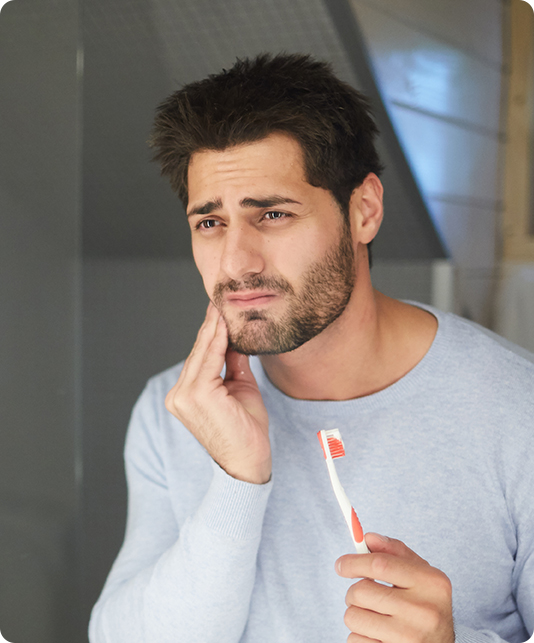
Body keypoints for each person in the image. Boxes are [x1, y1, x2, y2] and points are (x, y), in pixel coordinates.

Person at [89, 53, 534, 643]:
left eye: (272, 214)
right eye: (210, 223)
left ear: (364, 211)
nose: (236, 264)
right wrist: (238, 479)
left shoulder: (517, 411)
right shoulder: (172, 410)